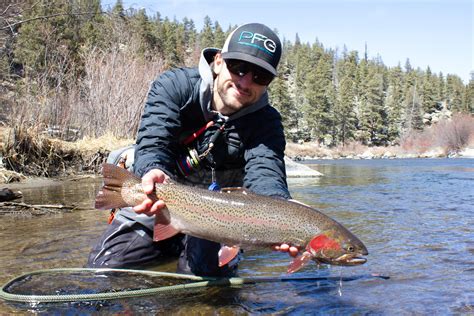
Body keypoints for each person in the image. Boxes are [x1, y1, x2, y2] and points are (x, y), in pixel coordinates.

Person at [87, 23, 298, 277]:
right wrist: (152, 170)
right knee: (102, 271)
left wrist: (282, 211)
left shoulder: (267, 121)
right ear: (218, 61)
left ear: (268, 84)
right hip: (160, 199)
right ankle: (169, 242)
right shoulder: (175, 86)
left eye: (260, 76)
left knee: (201, 277)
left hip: (219, 217)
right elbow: (154, 140)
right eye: (239, 68)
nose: (245, 81)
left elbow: (266, 172)